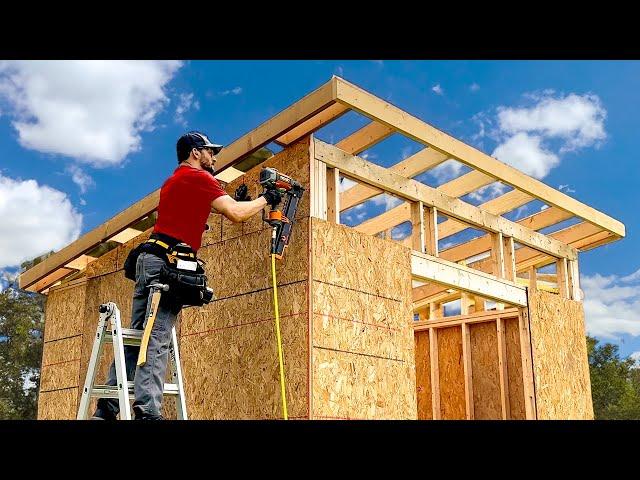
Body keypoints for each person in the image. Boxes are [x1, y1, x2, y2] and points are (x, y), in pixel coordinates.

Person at [91, 131, 282, 420]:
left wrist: (235, 199)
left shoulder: (174, 181)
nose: (214, 157)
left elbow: (198, 212)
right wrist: (266, 199)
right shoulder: (200, 178)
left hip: (150, 259)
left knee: (137, 337)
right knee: (156, 339)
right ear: (195, 152)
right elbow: (236, 214)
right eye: (210, 151)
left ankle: (107, 407)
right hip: (165, 266)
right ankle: (147, 412)